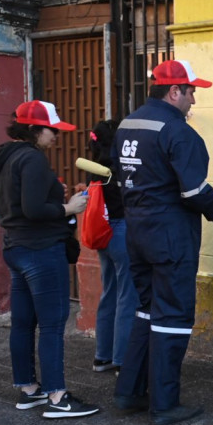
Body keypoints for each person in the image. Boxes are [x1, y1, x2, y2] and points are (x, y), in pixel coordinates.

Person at [113, 60, 213, 425]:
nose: (194, 100)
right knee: (173, 316)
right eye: (191, 91)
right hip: (170, 234)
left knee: (146, 309)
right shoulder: (179, 131)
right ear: (174, 91)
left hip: (137, 231)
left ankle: (130, 392)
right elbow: (194, 189)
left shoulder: (128, 124)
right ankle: (164, 404)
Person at [0, 100, 98, 418]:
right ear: (35, 129)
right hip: (41, 250)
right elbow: (34, 210)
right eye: (52, 130)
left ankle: (29, 390)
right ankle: (58, 398)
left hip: (16, 248)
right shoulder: (32, 159)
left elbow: (1, 207)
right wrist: (69, 208)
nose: (56, 136)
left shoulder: (4, 158)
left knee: (22, 324)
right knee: (50, 324)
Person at [87, 120, 137, 374]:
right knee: (128, 297)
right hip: (121, 232)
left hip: (103, 233)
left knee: (110, 292)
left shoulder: (94, 167)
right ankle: (122, 360)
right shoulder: (119, 167)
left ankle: (102, 356)